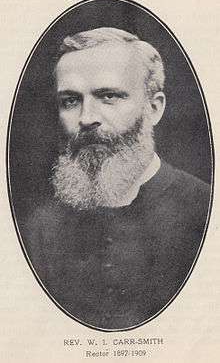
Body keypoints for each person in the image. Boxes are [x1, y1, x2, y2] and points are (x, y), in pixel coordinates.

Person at [23, 27, 210, 330]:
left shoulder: (205, 212)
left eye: (108, 96)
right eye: (70, 101)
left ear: (154, 108)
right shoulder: (39, 229)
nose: (86, 118)